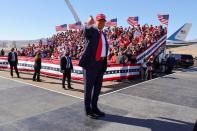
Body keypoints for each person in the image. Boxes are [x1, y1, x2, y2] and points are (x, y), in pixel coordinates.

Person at [79, 14, 108, 119]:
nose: (102, 22)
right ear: (96, 22)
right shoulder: (92, 31)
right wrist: (87, 23)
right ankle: (88, 110)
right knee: (88, 88)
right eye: (100, 21)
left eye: (103, 21)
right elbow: (86, 32)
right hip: (91, 65)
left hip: (100, 64)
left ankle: (95, 107)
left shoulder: (103, 34)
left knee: (97, 88)